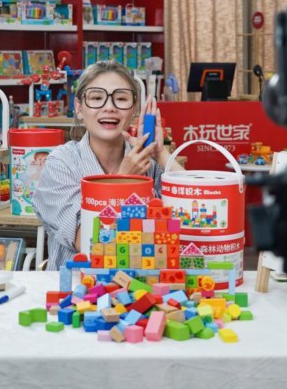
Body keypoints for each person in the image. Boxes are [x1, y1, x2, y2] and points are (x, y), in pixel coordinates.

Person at [33, 61, 183, 270]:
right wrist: (124, 181)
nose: (109, 107)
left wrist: (161, 153)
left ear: (134, 109)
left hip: (142, 282)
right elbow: (89, 244)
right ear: (79, 107)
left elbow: (192, 214)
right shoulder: (61, 164)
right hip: (78, 285)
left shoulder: (147, 161)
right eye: (96, 98)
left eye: (121, 99)